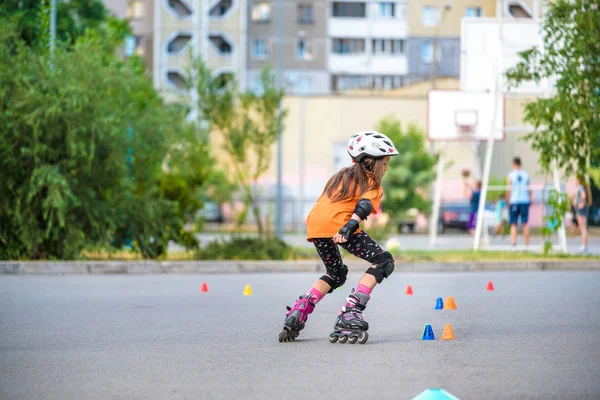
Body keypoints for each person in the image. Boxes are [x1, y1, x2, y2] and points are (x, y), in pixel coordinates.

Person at [278, 131, 399, 345]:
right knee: (383, 261)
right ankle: (351, 311)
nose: (387, 168)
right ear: (371, 161)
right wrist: (350, 225)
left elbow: (326, 205)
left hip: (316, 225)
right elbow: (365, 206)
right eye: (385, 162)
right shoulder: (372, 182)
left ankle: (301, 308)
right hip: (340, 225)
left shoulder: (340, 176)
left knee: (335, 273)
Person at [506, 157, 534, 247]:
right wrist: (530, 198)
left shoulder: (510, 175)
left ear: (513, 164)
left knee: (513, 223)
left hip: (514, 200)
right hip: (525, 200)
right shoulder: (526, 174)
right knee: (524, 223)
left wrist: (507, 199)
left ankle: (514, 243)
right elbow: (529, 188)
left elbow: (509, 189)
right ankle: (527, 244)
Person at [572, 175, 592, 254]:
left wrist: (581, 204)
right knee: (583, 228)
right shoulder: (583, 187)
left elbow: (583, 196)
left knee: (583, 228)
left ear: (579, 180)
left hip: (581, 210)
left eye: (575, 179)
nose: (574, 181)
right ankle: (584, 245)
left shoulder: (580, 187)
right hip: (583, 209)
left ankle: (584, 246)